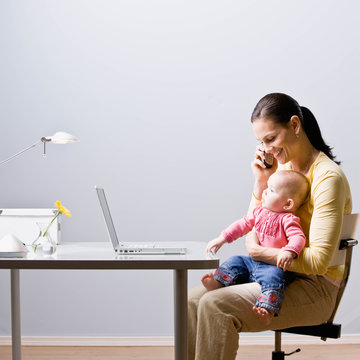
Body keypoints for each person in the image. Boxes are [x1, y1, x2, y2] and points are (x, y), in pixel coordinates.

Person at [188, 93, 352, 360]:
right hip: (269, 274)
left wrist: (260, 253)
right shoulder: (280, 169)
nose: (267, 149)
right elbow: (257, 223)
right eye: (261, 142)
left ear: (295, 126)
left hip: (314, 286)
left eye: (271, 139)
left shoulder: (327, 178)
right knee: (192, 300)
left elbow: (319, 262)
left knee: (215, 305)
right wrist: (261, 181)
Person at [201, 170, 309, 325]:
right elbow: (242, 225)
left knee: (273, 279)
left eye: (271, 190)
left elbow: (298, 237)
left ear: (288, 204)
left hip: (273, 266)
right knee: (235, 260)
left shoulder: (289, 219)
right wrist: (222, 238)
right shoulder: (259, 211)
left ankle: (267, 309)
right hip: (252, 263)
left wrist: (290, 251)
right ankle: (218, 282)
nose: (265, 192)